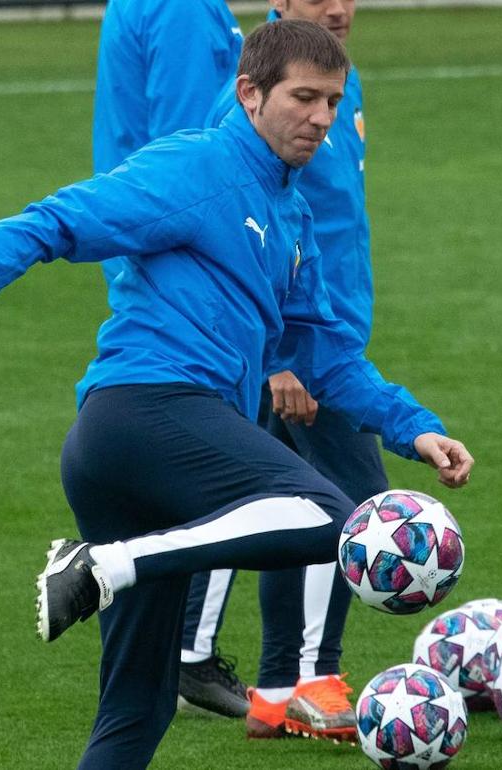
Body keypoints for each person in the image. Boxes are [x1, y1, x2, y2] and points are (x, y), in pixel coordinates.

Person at [0, 21, 473, 770]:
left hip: (142, 453)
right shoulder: (196, 168)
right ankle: (106, 564)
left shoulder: (291, 216)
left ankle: (113, 562)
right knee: (333, 516)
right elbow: (56, 221)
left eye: (332, 101)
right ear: (249, 94)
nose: (321, 119)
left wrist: (414, 428)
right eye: (303, 98)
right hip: (145, 415)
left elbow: (323, 354)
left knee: (138, 707)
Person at [184, 0, 379, 743]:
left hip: (327, 338)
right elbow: (231, 226)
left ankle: (268, 693)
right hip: (292, 355)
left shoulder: (332, 77)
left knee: (278, 510)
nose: (338, 6)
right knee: (351, 503)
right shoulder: (260, 86)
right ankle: (306, 678)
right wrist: (276, 363)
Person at [90, 0, 251, 719]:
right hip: (184, 254)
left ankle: (144, 644)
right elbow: (194, 148)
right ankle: (182, 648)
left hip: (152, 242)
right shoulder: (185, 7)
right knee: (242, 469)